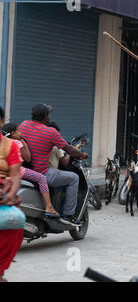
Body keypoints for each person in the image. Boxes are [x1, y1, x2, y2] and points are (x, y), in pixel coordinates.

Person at [18, 103, 88, 226]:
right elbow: (69, 150)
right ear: (46, 117)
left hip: (24, 171)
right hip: (42, 173)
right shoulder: (51, 132)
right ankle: (68, 215)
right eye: (49, 114)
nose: (50, 116)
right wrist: (81, 155)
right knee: (74, 178)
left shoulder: (23, 125)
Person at [2, 123, 59, 217]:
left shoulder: (4, 143)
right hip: (17, 170)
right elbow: (28, 158)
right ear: (13, 133)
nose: (21, 133)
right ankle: (49, 207)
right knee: (41, 178)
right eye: (18, 131)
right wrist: (23, 141)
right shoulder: (16, 142)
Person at [0, 107, 24, 282]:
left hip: (3, 193)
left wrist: (12, 193)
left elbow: (15, 174)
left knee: (15, 222)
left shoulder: (10, 145)